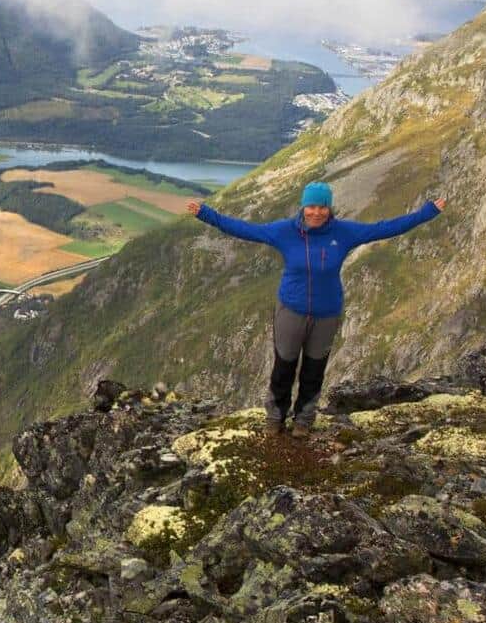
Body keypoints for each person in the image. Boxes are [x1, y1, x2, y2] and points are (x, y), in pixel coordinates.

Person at [186, 181, 446, 437]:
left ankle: (304, 420)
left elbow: (385, 228)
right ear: (303, 207)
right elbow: (244, 229)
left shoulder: (343, 233)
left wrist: (427, 212)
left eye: (322, 207)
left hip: (327, 313)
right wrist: (206, 214)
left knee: (314, 370)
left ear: (329, 208)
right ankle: (275, 419)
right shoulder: (285, 231)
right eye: (311, 206)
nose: (317, 213)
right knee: (284, 367)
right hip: (290, 311)